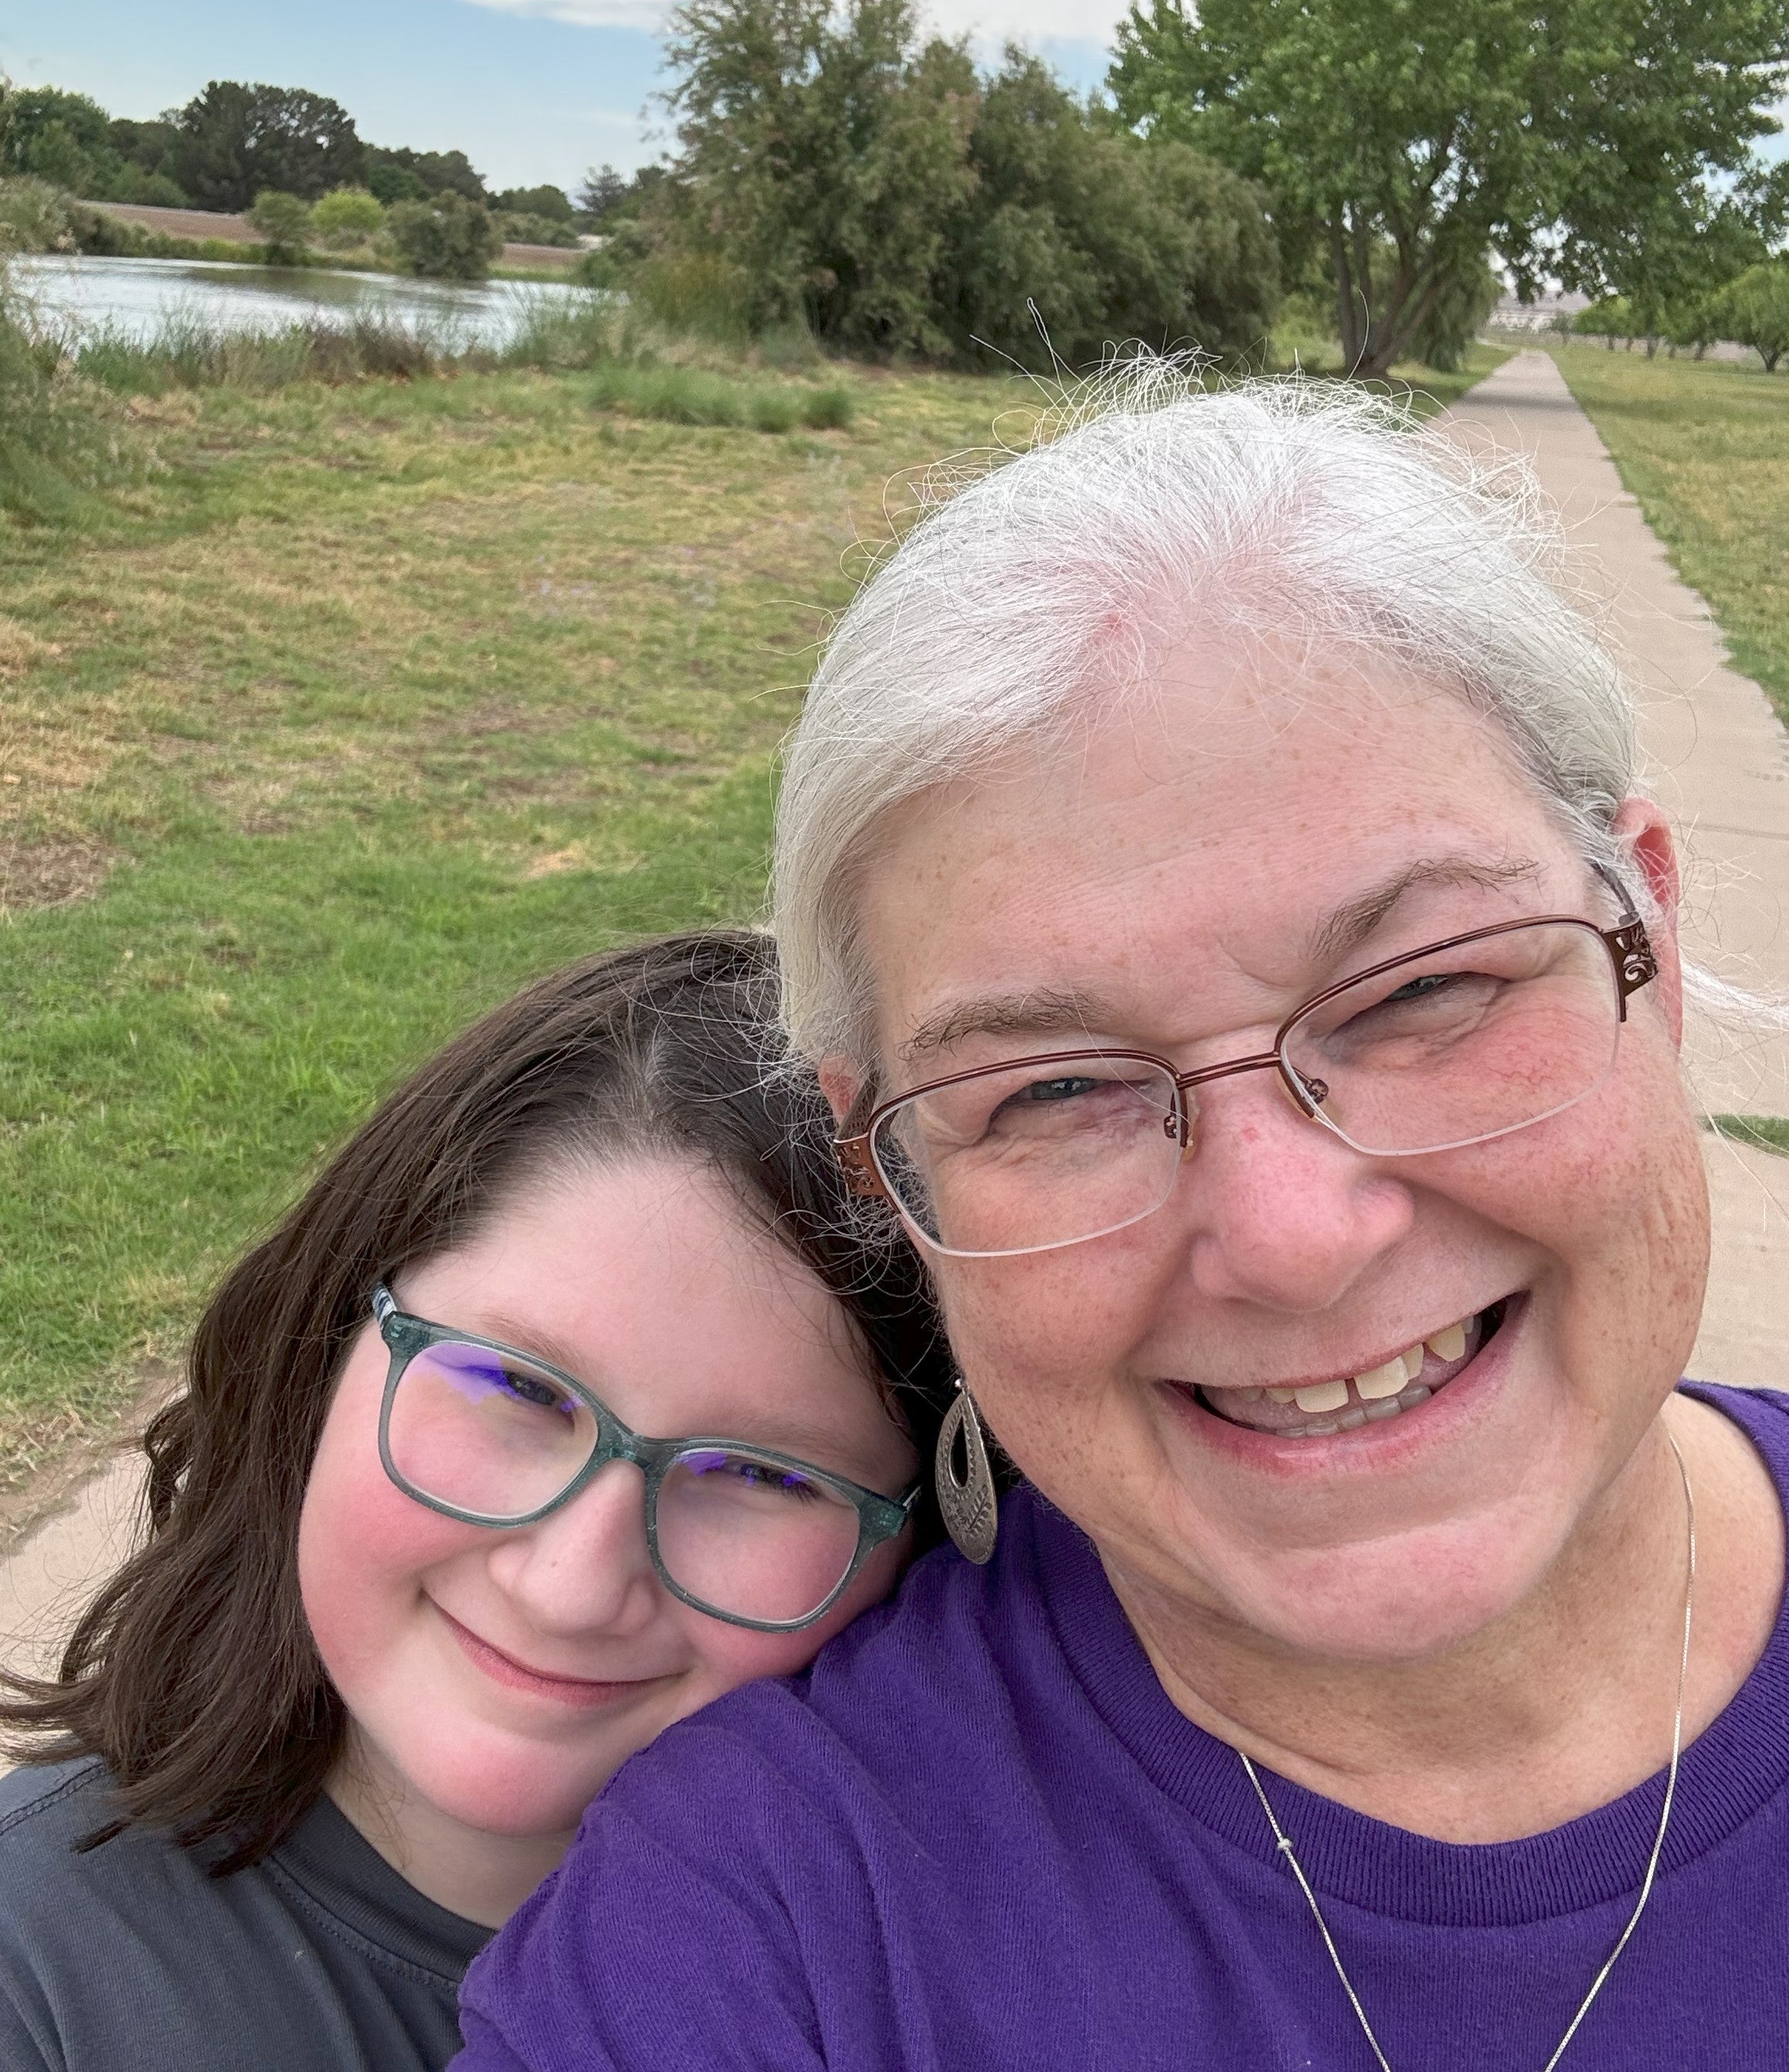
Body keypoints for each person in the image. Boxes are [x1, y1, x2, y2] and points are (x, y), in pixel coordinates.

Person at [457, 370, 1789, 2071]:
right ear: (891, 1172)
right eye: (1057, 1091)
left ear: (1647, 937)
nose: (1295, 1232)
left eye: (1429, 988)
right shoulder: (766, 1926)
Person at [0, 930, 949, 2072]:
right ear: (327, 1352)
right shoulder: (36, 1979)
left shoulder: (980, 1986)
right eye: (514, 1386)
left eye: (762, 1475)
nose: (570, 1586)